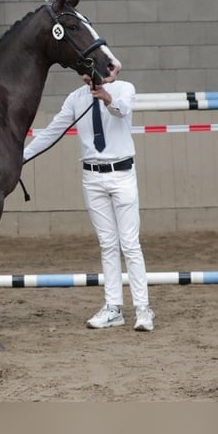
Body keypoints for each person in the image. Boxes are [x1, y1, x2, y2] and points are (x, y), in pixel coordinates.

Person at [23, 67, 155, 332]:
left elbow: (120, 110)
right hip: (92, 176)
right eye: (83, 73)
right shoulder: (75, 99)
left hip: (121, 173)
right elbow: (52, 131)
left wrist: (105, 96)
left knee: (130, 243)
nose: (87, 77)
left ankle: (143, 309)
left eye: (92, 71)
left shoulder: (124, 89)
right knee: (107, 244)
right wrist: (21, 158)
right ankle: (113, 307)